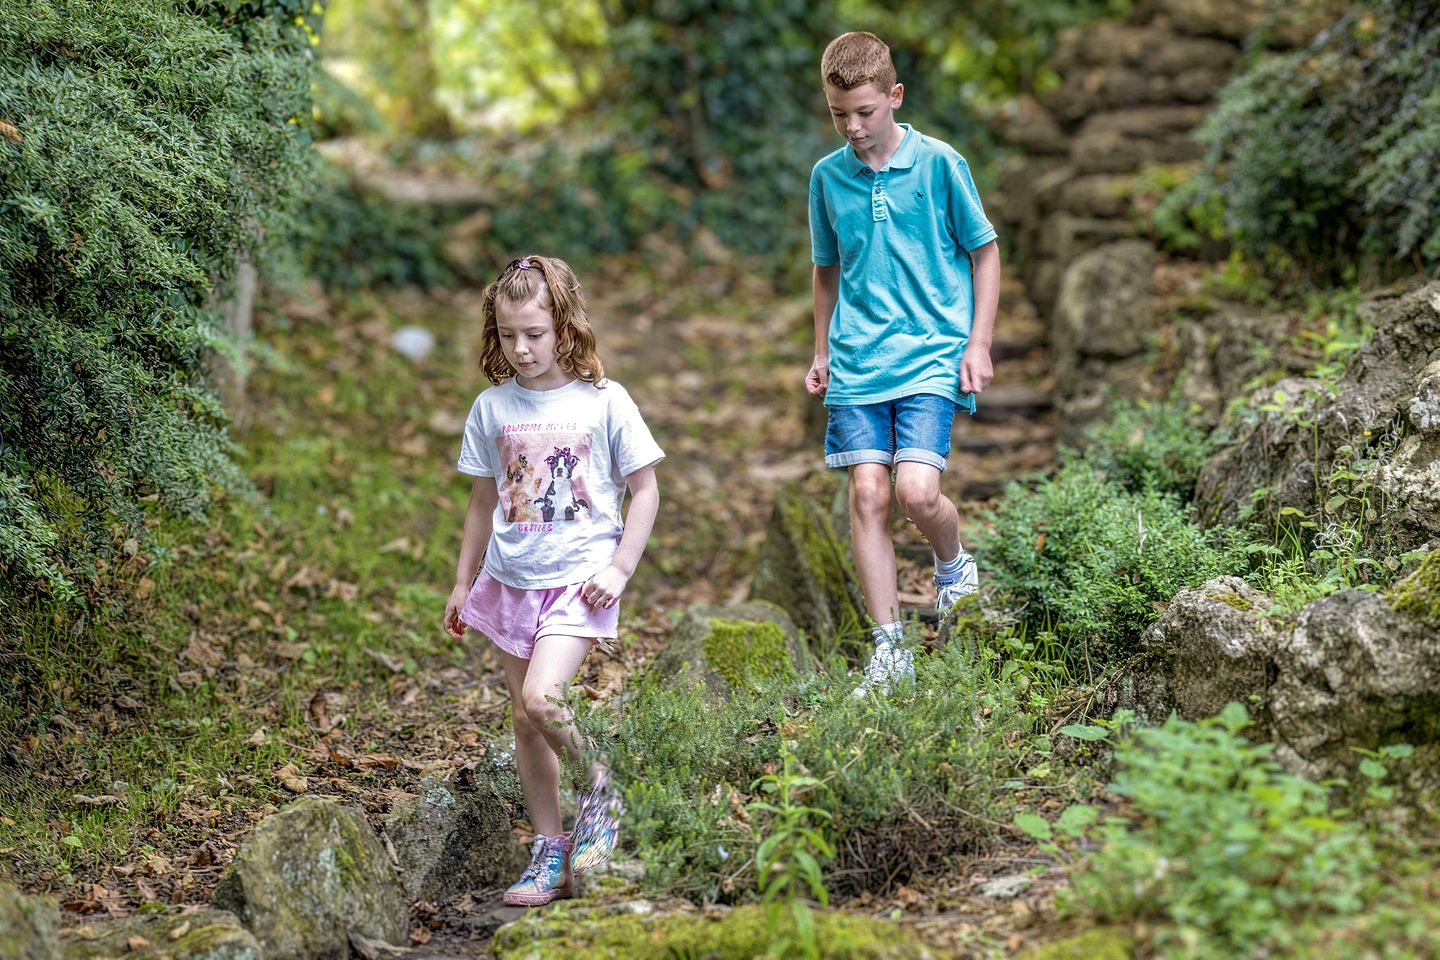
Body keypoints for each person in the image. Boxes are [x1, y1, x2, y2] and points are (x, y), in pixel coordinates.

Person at [443, 255, 663, 906]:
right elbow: (482, 503)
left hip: (580, 582)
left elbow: (645, 491)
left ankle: (602, 787)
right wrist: (464, 583)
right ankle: (549, 847)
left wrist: (619, 567)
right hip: (512, 582)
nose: (522, 348)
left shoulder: (604, 401)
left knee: (544, 698)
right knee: (524, 721)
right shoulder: (492, 408)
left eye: (535, 333)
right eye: (509, 335)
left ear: (565, 328)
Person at [805, 32, 1001, 697]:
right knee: (867, 493)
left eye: (865, 111)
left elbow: (985, 252)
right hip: (858, 361)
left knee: (917, 493)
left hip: (930, 355)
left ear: (894, 96)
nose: (854, 127)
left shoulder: (941, 164)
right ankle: (890, 652)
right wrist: (821, 349)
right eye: (840, 115)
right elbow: (826, 273)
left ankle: (952, 565)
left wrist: (977, 342)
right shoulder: (827, 178)